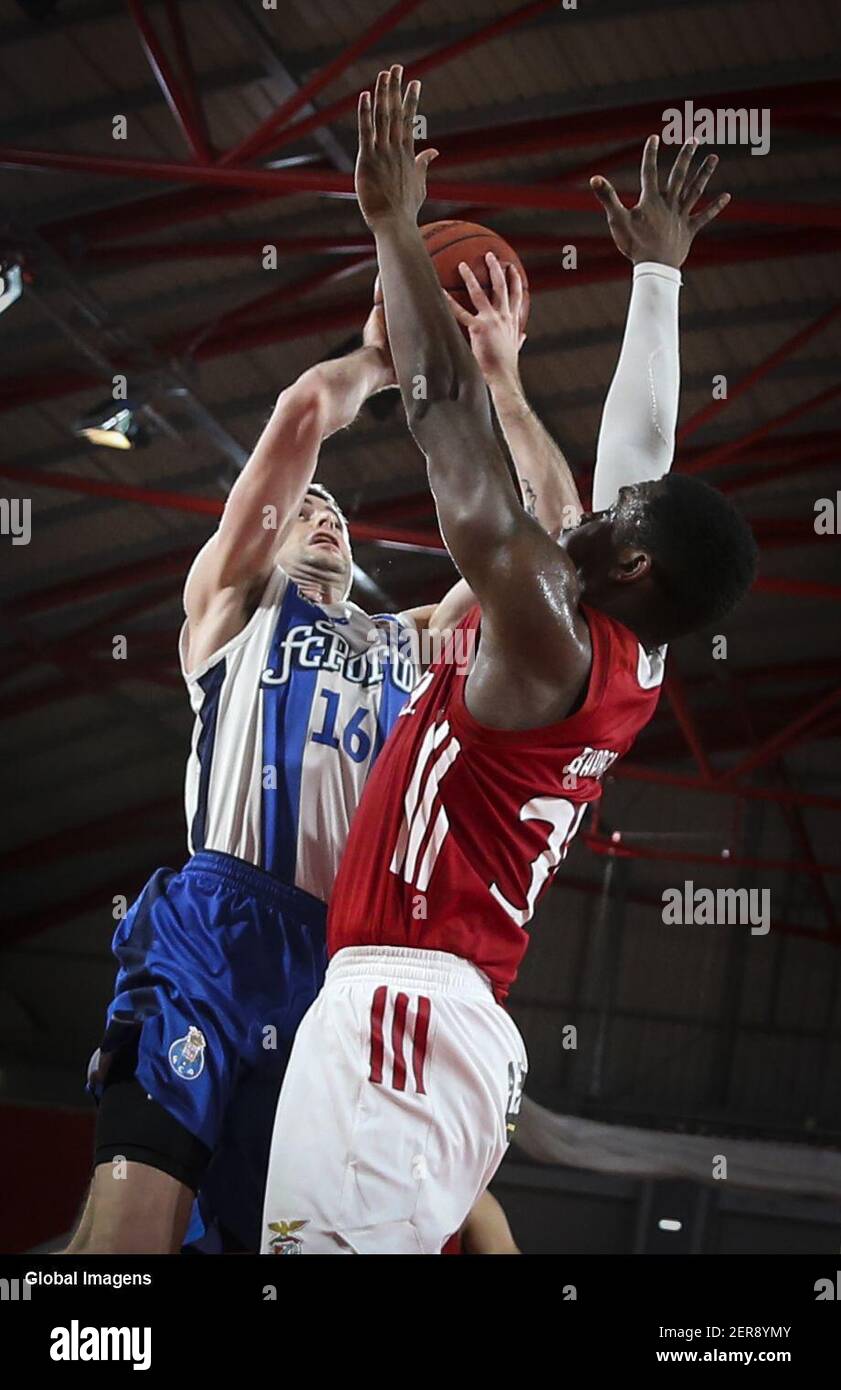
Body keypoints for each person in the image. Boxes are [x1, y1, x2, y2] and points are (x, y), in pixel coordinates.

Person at [258, 67, 758, 1255]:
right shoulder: (620, 651)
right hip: (448, 1026)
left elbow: (441, 423)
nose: (599, 503)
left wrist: (388, 224)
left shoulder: (541, 621)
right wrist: (655, 279)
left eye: (620, 516)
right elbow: (643, 459)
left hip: (403, 1008)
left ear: (633, 567)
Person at [66, 285, 578, 1253]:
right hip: (213, 932)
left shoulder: (418, 640)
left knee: (278, 1240)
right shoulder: (233, 607)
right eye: (304, 508)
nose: (323, 515)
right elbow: (303, 414)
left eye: (336, 510)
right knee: (134, 1231)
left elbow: (551, 540)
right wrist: (384, 361)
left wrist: (504, 377)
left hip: (345, 974)